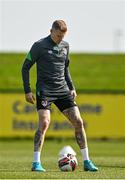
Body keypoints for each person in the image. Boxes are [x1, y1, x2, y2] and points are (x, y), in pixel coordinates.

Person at [22, 20, 98, 172]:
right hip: (45, 91)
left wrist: (71, 87)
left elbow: (65, 68)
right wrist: (27, 90)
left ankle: (87, 162)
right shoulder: (39, 46)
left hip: (63, 90)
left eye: (62, 36)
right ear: (51, 31)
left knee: (78, 121)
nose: (60, 39)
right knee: (44, 123)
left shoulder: (65, 46)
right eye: (58, 36)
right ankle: (36, 163)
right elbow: (25, 67)